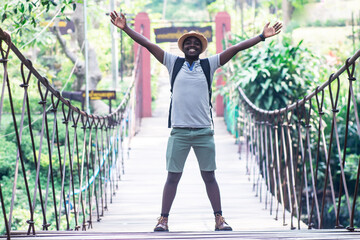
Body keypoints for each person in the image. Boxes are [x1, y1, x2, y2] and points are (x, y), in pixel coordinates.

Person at [110, 10, 282, 232]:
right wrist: (125, 29)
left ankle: (219, 219)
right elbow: (147, 44)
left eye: (196, 43)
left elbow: (235, 49)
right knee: (172, 177)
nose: (192, 45)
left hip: (203, 132)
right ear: (183, 48)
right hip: (179, 132)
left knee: (209, 177)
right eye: (188, 43)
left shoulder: (209, 65)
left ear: (201, 48)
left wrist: (261, 36)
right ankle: (163, 219)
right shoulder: (173, 63)